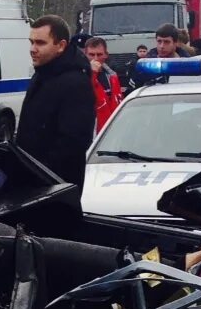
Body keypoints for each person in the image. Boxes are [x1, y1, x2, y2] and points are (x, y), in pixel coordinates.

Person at [16, 14, 95, 191]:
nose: (33, 49)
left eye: (40, 43)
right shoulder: (41, 75)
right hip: (30, 186)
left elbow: (73, 143)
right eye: (31, 42)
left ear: (61, 46)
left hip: (55, 189)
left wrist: (36, 173)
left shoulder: (75, 83)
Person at [84, 37, 123, 132]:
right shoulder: (81, 75)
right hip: (93, 131)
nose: (95, 58)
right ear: (85, 55)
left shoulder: (112, 76)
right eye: (91, 54)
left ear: (106, 55)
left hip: (112, 129)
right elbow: (85, 93)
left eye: (99, 54)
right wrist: (92, 73)